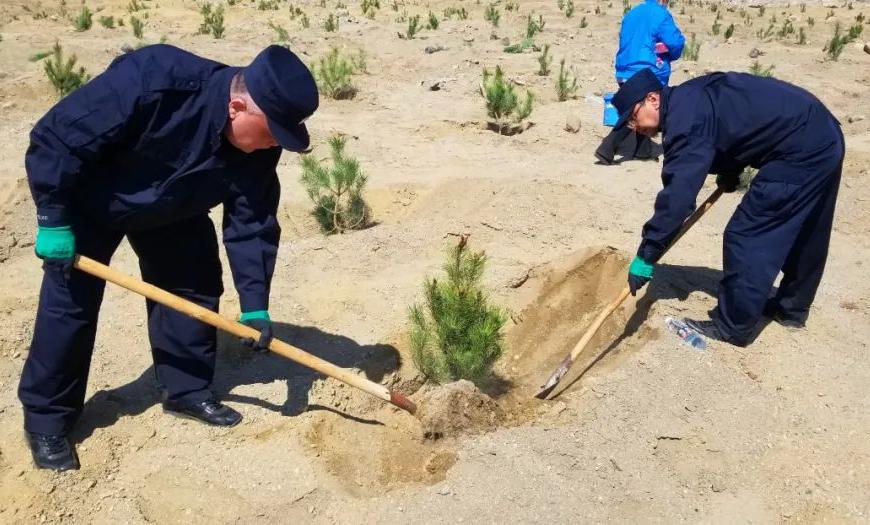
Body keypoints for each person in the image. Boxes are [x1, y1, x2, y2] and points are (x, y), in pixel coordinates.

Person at [20, 44, 319, 471]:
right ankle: (47, 420)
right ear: (237, 106)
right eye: (273, 132)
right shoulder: (155, 79)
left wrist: (255, 305)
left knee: (193, 284)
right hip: (92, 200)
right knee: (70, 304)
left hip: (175, 206)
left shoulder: (258, 148)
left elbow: (251, 224)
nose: (276, 144)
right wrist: (52, 216)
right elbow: (58, 136)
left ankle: (187, 390)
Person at [614, 68, 844, 346]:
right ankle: (790, 308)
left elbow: (678, 198)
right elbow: (733, 123)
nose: (634, 126)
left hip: (800, 149)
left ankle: (732, 326)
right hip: (822, 133)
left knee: (747, 235)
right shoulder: (689, 97)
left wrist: (648, 252)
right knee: (807, 227)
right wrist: (730, 167)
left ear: (652, 99)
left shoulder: (684, 122)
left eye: (632, 116)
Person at [595, 0, 684, 165]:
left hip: (624, 68)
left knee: (638, 110)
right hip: (646, 70)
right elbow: (676, 43)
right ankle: (607, 148)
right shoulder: (661, 14)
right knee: (635, 112)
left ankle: (643, 151)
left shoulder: (632, 13)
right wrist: (670, 52)